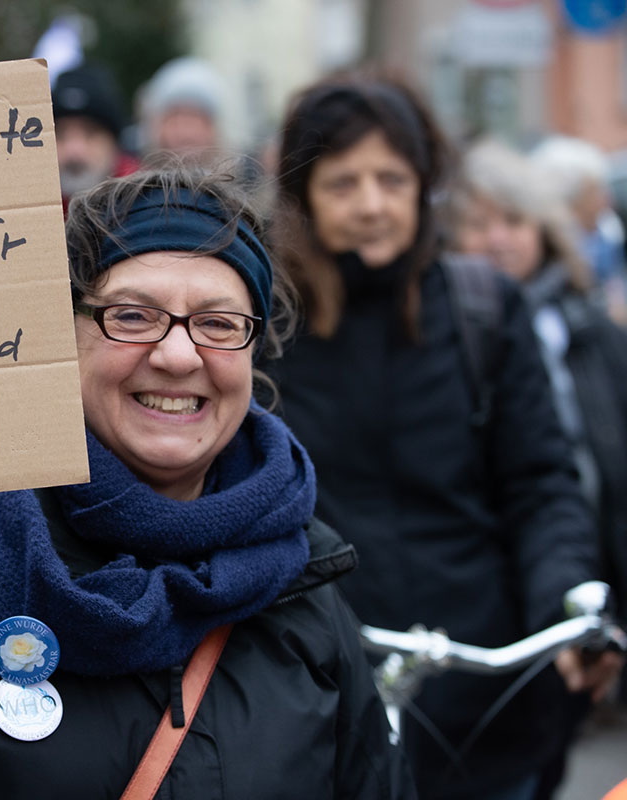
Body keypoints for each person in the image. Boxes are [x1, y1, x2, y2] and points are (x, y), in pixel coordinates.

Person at [0, 165, 414, 798]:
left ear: (252, 351)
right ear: (62, 337)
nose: (178, 355)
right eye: (132, 316)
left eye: (219, 324)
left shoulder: (301, 583)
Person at [265, 74, 622, 800]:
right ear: (304, 196)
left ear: (425, 185)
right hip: (320, 696)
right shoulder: (265, 324)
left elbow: (540, 483)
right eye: (343, 183)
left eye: (392, 179)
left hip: (486, 697)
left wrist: (567, 603)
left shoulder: (483, 309)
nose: (372, 204)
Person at [448, 138, 627, 796]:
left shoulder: (591, 329)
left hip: (582, 569)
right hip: (489, 594)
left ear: (544, 232)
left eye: (514, 221)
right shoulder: (441, 337)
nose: (498, 239)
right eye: (478, 223)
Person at [531, 135, 627, 325]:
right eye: (594, 192)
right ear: (569, 201)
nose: (606, 201)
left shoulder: (604, 241)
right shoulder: (553, 265)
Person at [51, 62, 139, 212]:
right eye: (59, 135)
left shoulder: (149, 203)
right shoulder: (23, 207)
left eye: (90, 133)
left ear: (114, 142)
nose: (74, 151)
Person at [137, 56, 226, 168]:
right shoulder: (135, 174)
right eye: (175, 121)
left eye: (193, 120)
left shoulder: (240, 176)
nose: (185, 134)